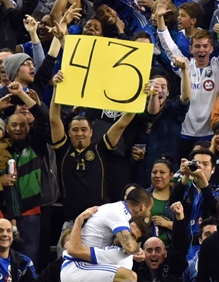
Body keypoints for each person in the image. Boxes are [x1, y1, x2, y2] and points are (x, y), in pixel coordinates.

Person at [50, 70, 136, 222]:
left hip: (99, 219)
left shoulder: (101, 149)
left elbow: (122, 124)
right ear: (69, 133)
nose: (79, 133)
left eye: (84, 129)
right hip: (71, 220)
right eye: (75, 130)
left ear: (91, 132)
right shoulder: (63, 150)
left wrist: (139, 97)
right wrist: (57, 89)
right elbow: (54, 120)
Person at [157, 4, 218, 158]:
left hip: (211, 134)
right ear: (191, 49)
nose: (201, 50)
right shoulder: (185, 66)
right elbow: (168, 44)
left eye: (205, 46)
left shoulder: (217, 67)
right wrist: (159, 18)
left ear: (211, 49)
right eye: (197, 46)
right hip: (185, 133)